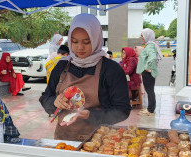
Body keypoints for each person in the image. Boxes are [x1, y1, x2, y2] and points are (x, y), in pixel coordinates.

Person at [39, 13, 131, 141]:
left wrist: (90, 115)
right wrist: (54, 102)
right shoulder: (62, 65)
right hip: (63, 139)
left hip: (98, 141)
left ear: (96, 39)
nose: (79, 47)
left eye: (87, 42)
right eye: (74, 41)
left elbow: (122, 110)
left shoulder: (111, 70)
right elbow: (45, 97)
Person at [137, 28, 163, 116]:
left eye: (143, 36)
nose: (142, 38)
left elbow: (152, 58)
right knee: (150, 90)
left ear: (147, 36)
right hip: (148, 72)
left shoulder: (150, 45)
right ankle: (150, 108)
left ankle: (150, 110)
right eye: (141, 36)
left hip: (148, 72)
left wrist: (148, 68)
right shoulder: (150, 44)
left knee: (150, 90)